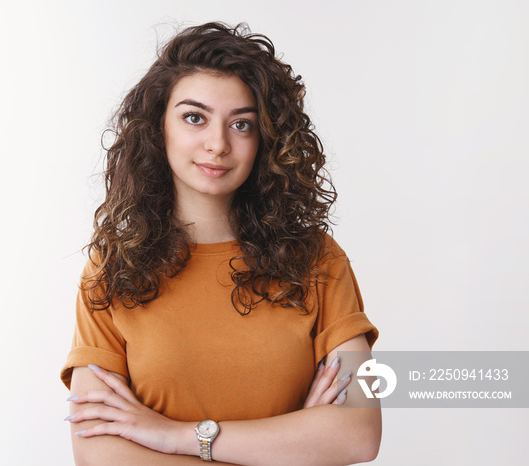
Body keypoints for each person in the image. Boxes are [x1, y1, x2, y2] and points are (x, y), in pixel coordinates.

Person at [61, 22, 381, 465]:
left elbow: (357, 435)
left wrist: (176, 436)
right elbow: (100, 455)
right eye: (195, 117)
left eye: (242, 124)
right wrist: (290, 448)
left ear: (265, 139)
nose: (218, 144)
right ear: (158, 128)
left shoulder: (317, 260)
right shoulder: (113, 269)